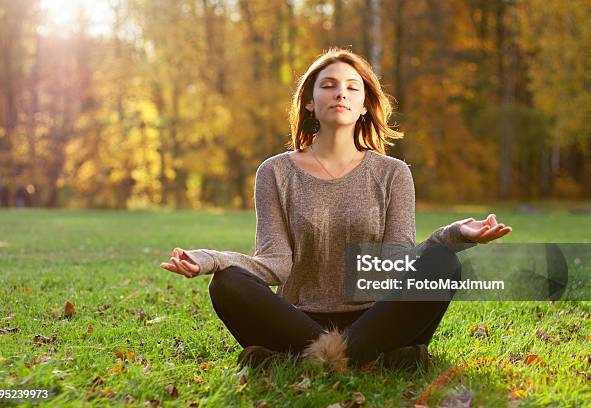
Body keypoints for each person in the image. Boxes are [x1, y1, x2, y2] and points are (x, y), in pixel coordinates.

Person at [160, 48, 512, 372]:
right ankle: (372, 358)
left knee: (444, 263)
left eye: (351, 87)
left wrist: (453, 235)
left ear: (364, 105)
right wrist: (209, 259)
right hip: (298, 320)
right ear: (310, 102)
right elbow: (274, 262)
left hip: (377, 318)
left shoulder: (393, 174)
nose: (340, 93)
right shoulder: (275, 172)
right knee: (227, 284)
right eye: (328, 85)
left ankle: (307, 357)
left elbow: (396, 262)